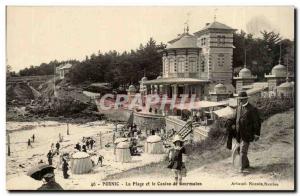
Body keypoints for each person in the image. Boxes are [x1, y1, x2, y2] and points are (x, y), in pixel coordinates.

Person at [234, 91, 261, 173]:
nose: (240, 101)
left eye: (242, 99)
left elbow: (257, 123)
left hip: (247, 134)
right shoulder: (238, 108)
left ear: (246, 99)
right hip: (239, 134)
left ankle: (241, 168)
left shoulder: (252, 109)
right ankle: (246, 164)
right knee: (239, 150)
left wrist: (257, 134)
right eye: (239, 99)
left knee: (243, 151)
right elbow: (236, 120)